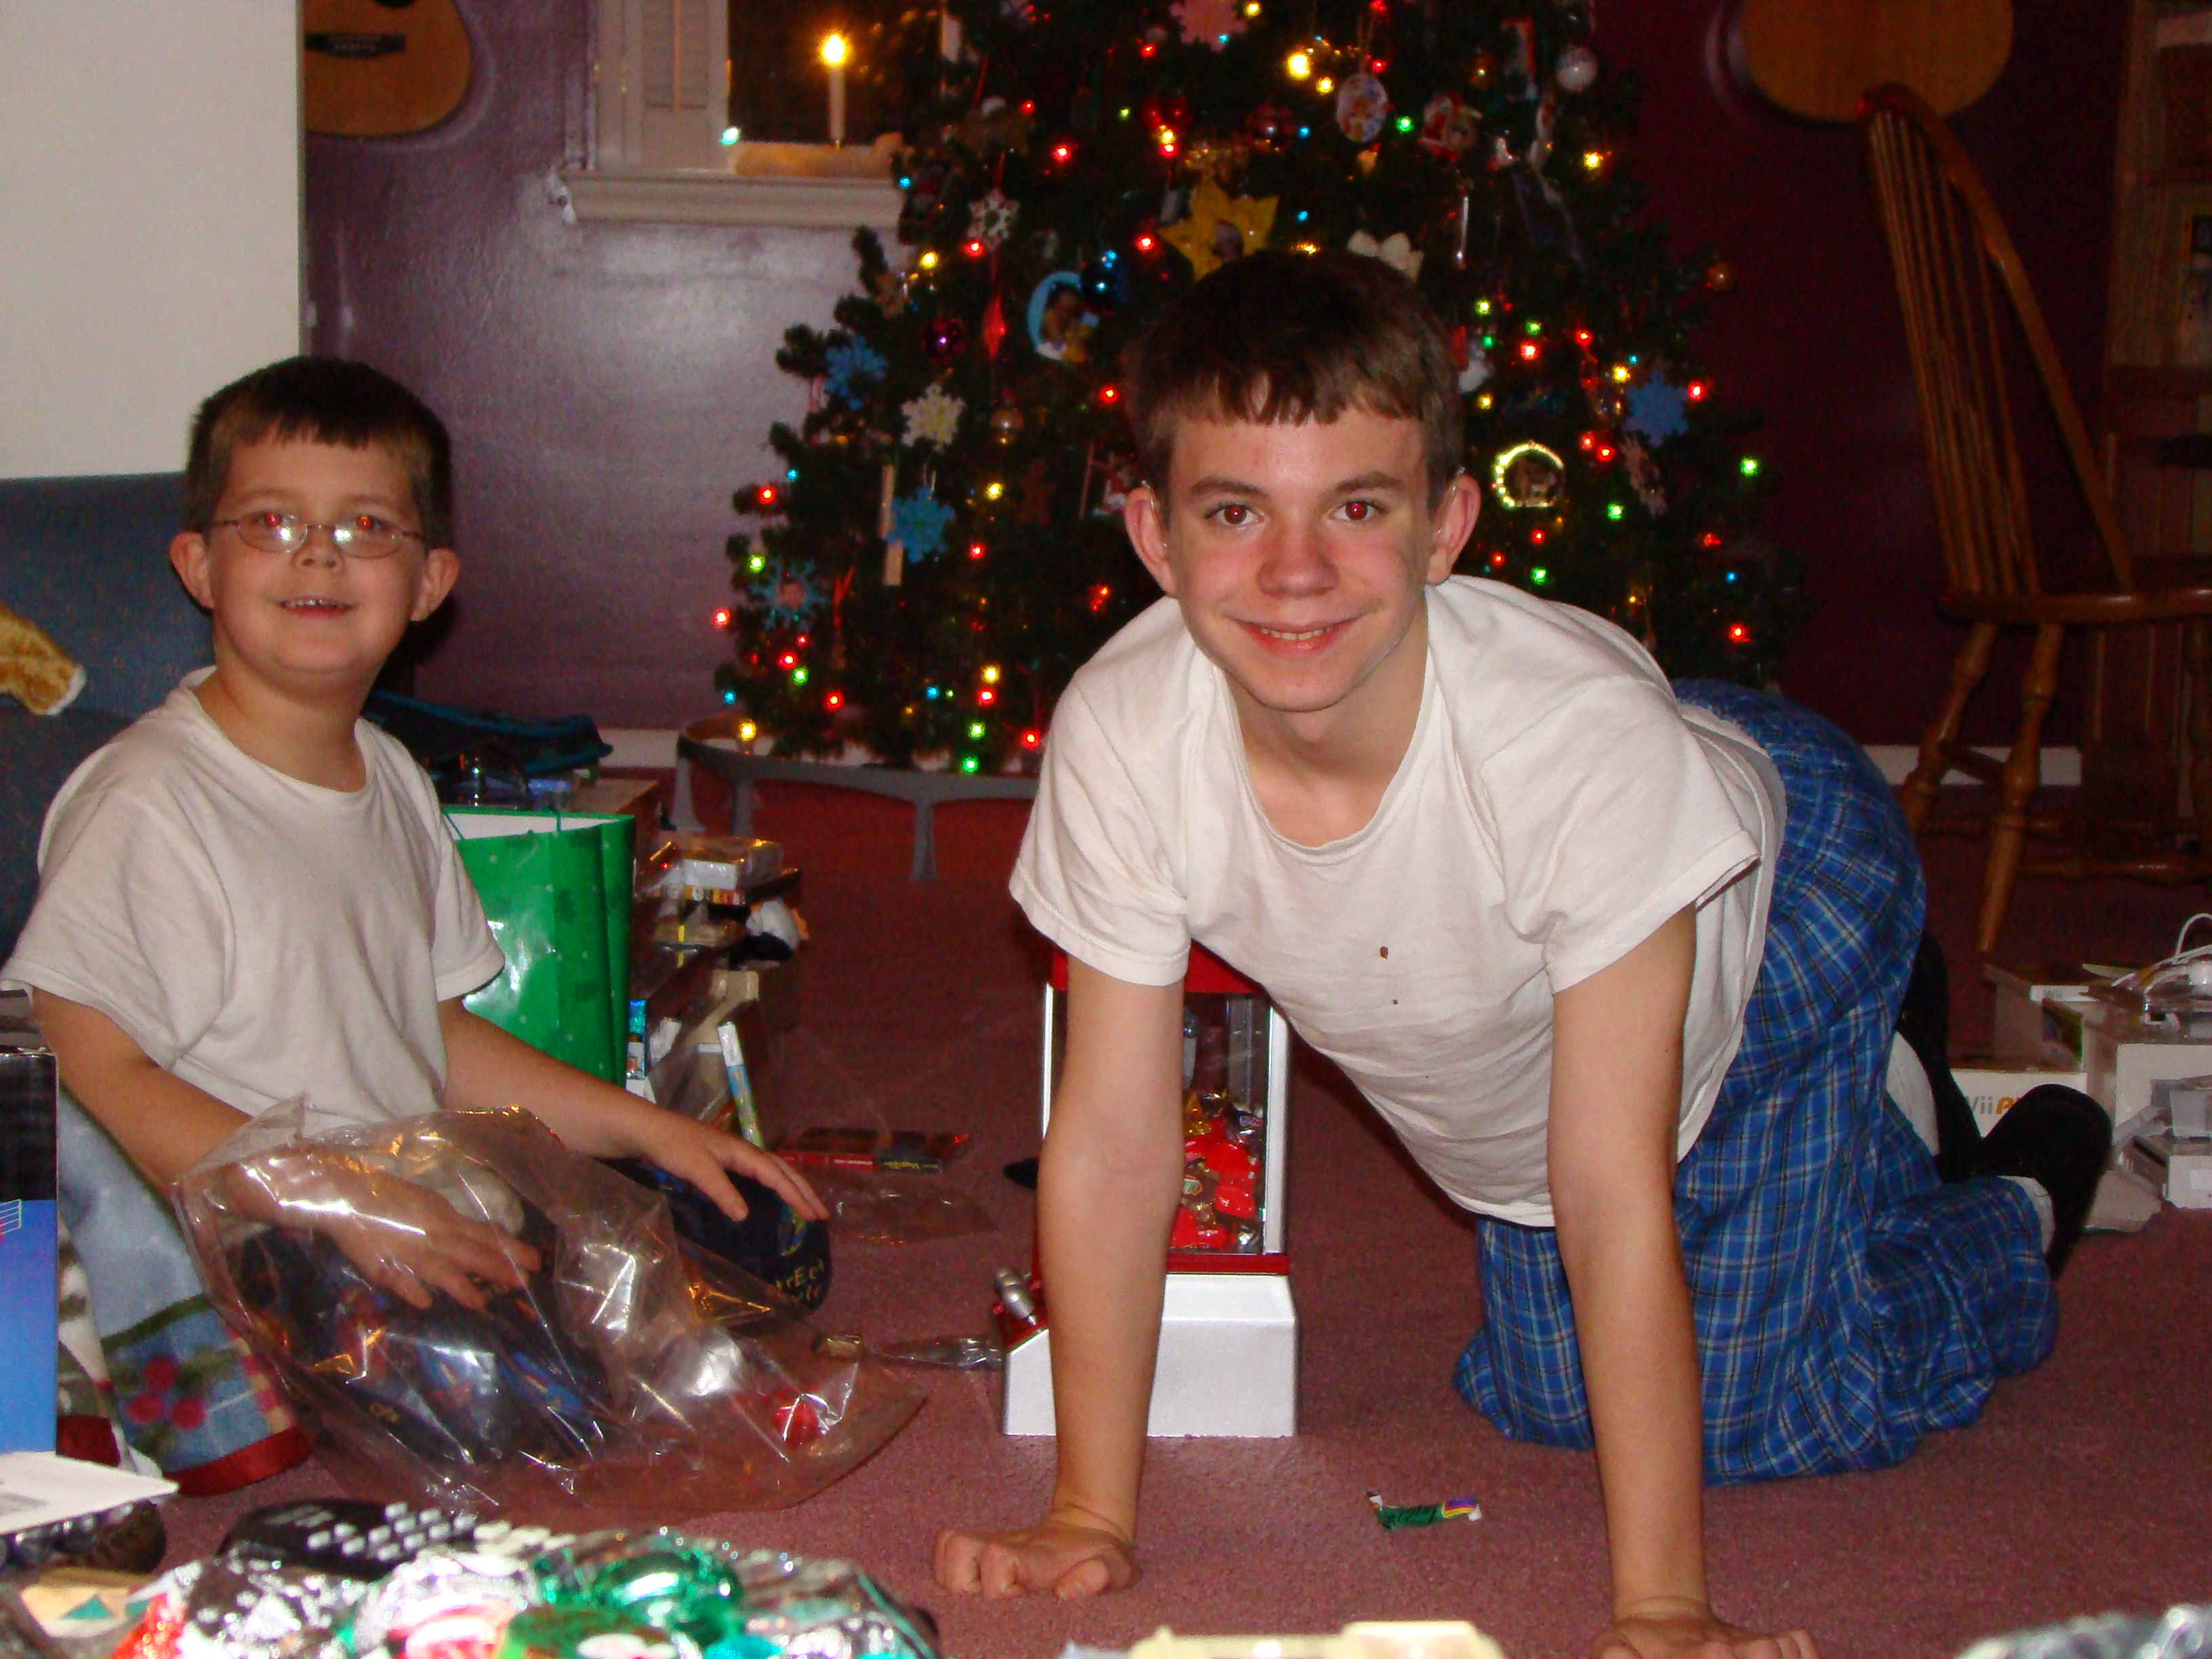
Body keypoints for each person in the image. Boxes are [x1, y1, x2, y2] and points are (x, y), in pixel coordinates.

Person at [933, 251, 2109, 1658]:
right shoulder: (1125, 733)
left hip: (1784, 893)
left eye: (1357, 507)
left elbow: (1608, 1188)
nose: (1296, 573)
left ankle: (2013, 1187)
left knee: (1771, 1415)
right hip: (1565, 941)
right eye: (1236, 511)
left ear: (1446, 524)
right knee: (1540, 1397)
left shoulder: (1568, 748)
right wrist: (1088, 1513)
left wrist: (1664, 1608)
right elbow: (1120, 1145)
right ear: (1154, 533)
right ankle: (1885, 1124)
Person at [3, 357, 824, 1485]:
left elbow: (434, 1038)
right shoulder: (151, 800)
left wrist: (648, 1130)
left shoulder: (390, 777)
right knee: (536, 1401)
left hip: (397, 1200)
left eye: (367, 527)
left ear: (431, 581)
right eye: (272, 522)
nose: (318, 555)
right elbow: (88, 1069)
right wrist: (339, 1200)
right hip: (251, 1238)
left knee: (711, 1248)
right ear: (197, 565)